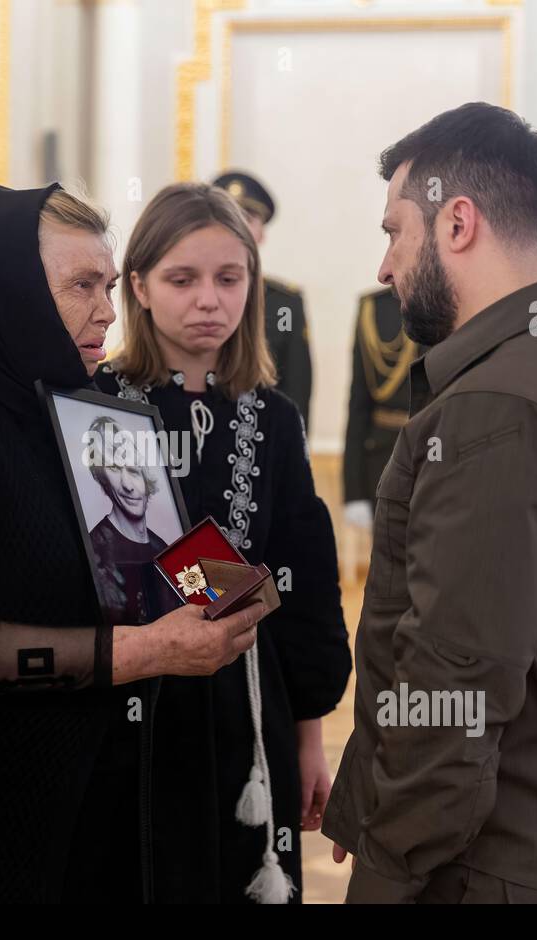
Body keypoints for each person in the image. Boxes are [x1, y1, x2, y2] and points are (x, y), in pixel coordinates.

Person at [0, 180, 265, 904]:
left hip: (100, 786)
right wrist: (153, 650)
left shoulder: (79, 395)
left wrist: (234, 587)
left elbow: (148, 547)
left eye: (110, 284)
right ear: (9, 288)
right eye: (81, 285)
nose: (106, 311)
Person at [322, 102, 537, 903]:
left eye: (395, 231)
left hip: (479, 865)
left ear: (457, 222)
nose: (386, 265)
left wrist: (390, 852)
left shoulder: (495, 403)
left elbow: (458, 679)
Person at [94, 182, 351, 903]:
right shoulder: (97, 405)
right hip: (133, 703)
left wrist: (308, 740)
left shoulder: (273, 418)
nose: (209, 299)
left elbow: (307, 581)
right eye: (183, 279)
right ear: (138, 286)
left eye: (229, 279)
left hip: (249, 705)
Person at [213, 171, 314, 428]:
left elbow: (297, 395)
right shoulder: (183, 295)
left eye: (247, 218)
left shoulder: (285, 304)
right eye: (226, 216)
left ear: (261, 234)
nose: (236, 227)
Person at [84, 415, 172, 624]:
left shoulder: (162, 548)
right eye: (114, 468)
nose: (128, 485)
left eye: (133, 470)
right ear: (101, 476)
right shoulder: (97, 550)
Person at [342, 286, 416, 531]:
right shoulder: (375, 308)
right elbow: (358, 403)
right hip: (383, 460)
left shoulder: (459, 297)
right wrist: (353, 490)